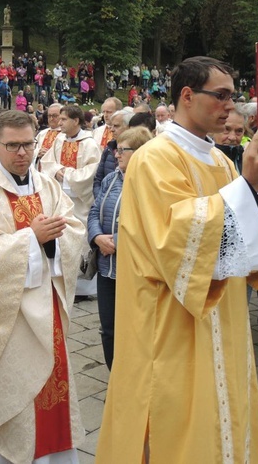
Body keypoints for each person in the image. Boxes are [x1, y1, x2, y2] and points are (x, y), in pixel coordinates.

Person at [96, 56, 258, 463]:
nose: (232, 106)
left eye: (233, 96)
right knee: (177, 427)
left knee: (220, 419)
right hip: (173, 320)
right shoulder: (156, 157)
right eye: (221, 95)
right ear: (187, 96)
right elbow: (177, 239)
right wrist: (249, 186)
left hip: (221, 313)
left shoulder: (220, 159)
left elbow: (245, 240)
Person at [0, 109, 85, 463]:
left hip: (49, 311)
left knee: (53, 396)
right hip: (8, 321)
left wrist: (50, 242)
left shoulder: (47, 185)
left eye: (28, 144)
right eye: (12, 145)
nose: (22, 153)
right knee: (16, 398)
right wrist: (31, 239)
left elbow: (73, 230)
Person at [88, 127, 152, 370]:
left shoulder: (151, 182)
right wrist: (96, 237)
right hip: (107, 267)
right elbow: (95, 210)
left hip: (135, 268)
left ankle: (138, 380)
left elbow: (152, 223)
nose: (116, 155)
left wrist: (116, 239)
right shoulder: (111, 178)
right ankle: (115, 379)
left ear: (140, 152)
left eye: (122, 150)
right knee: (109, 329)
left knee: (137, 329)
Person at [40, 104, 101, 299]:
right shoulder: (58, 140)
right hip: (60, 198)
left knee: (81, 239)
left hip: (80, 201)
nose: (60, 122)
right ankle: (65, 281)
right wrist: (57, 171)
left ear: (76, 121)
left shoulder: (89, 144)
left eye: (64, 119)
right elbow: (47, 163)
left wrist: (67, 175)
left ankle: (85, 288)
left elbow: (92, 172)